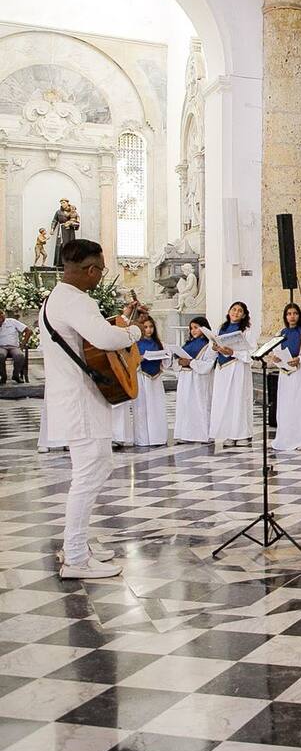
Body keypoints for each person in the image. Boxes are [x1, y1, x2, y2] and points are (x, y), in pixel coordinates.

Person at [39, 239, 144, 579]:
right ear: (91, 269)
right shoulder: (76, 300)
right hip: (81, 401)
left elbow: (89, 339)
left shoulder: (56, 298)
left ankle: (78, 547)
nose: (100, 276)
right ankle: (75, 558)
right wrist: (134, 331)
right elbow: (106, 339)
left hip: (73, 398)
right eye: (100, 270)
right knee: (89, 474)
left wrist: (120, 322)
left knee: (95, 468)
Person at [272, 302, 301, 452]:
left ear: (299, 315)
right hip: (286, 375)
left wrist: (300, 359)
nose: (292, 317)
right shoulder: (280, 333)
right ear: (285, 316)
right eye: (289, 314)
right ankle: (287, 437)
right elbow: (276, 351)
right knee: (287, 406)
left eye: (295, 313)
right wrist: (276, 359)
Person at [210, 302, 255, 447]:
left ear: (244, 315)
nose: (236, 313)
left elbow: (251, 353)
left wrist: (233, 352)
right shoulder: (221, 329)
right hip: (223, 369)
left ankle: (242, 434)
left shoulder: (246, 331)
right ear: (229, 311)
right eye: (233, 309)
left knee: (238, 400)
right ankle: (229, 433)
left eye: (239, 311)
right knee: (225, 401)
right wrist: (215, 348)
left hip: (238, 368)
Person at [173, 316, 215, 444]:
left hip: (199, 380)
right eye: (191, 328)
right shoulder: (188, 344)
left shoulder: (210, 345)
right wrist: (179, 362)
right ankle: (185, 434)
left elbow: (208, 365)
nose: (193, 331)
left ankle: (203, 435)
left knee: (200, 406)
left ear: (204, 328)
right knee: (185, 406)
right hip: (185, 380)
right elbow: (177, 363)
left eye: (196, 327)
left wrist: (190, 362)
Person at [131, 315, 168, 446]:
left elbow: (166, 363)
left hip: (155, 379)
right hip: (142, 377)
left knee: (156, 407)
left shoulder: (159, 343)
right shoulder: (135, 344)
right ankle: (143, 439)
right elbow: (130, 361)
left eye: (151, 327)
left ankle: (158, 437)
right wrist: (140, 359)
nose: (149, 330)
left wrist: (166, 356)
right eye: (145, 327)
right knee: (142, 408)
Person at [0, 308, 33, 384]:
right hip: (1, 347)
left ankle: (16, 375)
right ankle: (3, 376)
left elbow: (28, 331)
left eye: (1, 317)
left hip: (14, 346)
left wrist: (22, 345)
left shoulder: (12, 321)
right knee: (0, 355)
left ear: (3, 316)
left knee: (19, 355)